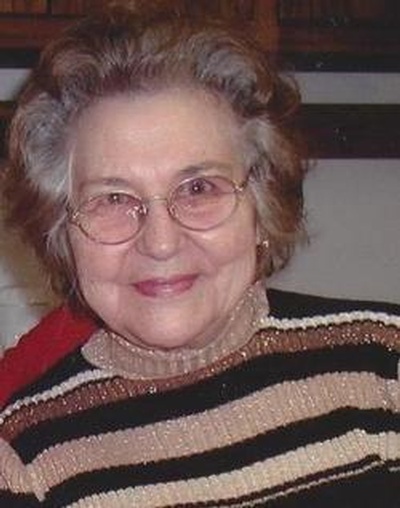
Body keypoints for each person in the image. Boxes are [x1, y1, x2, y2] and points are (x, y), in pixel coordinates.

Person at [0, 6, 399, 507]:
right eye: (114, 199)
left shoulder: (384, 367)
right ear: (63, 230)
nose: (161, 242)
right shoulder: (25, 455)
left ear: (261, 206)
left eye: (199, 188)